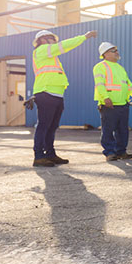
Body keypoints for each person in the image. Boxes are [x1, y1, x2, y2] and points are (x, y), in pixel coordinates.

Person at [31, 29, 97, 167]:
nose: (55, 42)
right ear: (43, 40)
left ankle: (50, 154)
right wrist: (84, 37)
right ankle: (38, 156)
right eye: (52, 39)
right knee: (44, 126)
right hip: (46, 92)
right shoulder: (42, 50)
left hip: (56, 94)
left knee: (52, 126)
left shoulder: (52, 57)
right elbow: (65, 45)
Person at [93, 42, 132, 161]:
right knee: (108, 130)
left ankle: (121, 151)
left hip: (123, 104)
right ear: (105, 54)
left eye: (116, 50)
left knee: (123, 130)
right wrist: (105, 97)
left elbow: (128, 85)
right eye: (113, 51)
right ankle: (109, 152)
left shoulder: (120, 68)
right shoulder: (100, 67)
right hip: (109, 104)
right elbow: (99, 84)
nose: (117, 53)